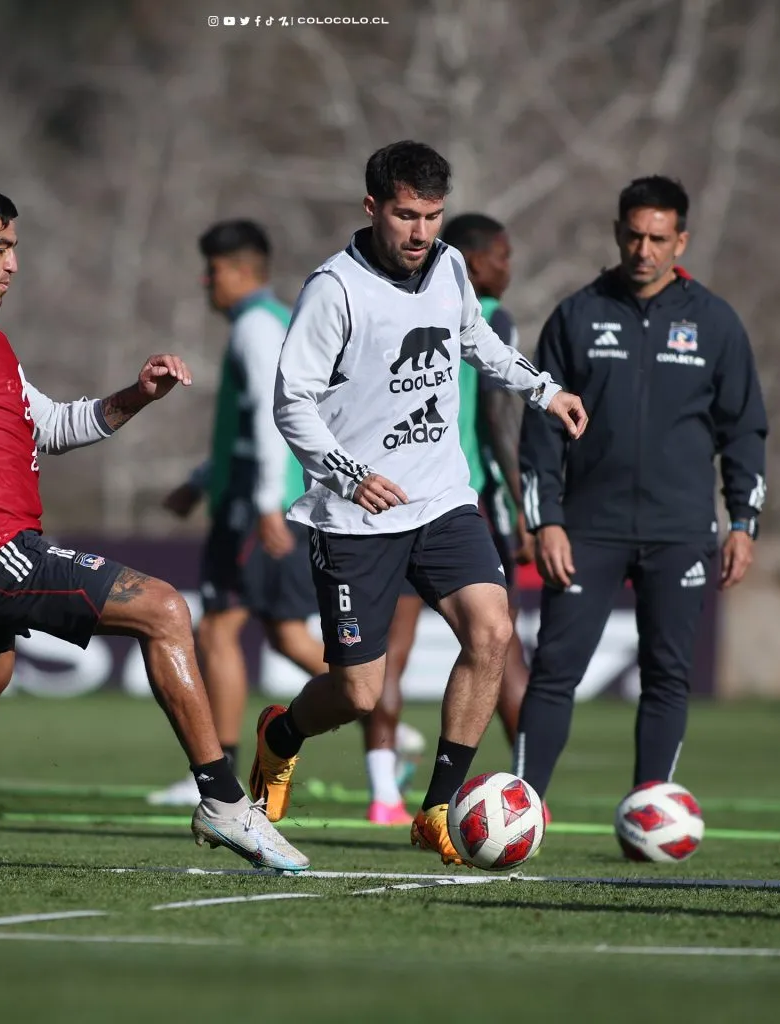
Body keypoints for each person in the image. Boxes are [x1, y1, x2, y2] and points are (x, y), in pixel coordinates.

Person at [0, 181, 309, 874]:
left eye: (14, 247)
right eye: (0, 247)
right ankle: (225, 803)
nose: (13, 262)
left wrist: (137, 396)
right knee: (166, 610)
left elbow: (51, 426)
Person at [248, 141, 588, 866]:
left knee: (492, 631)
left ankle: (437, 808)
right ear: (372, 207)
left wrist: (545, 390)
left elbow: (476, 341)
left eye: (433, 217)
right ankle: (281, 735)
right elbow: (291, 401)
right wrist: (348, 474)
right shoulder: (334, 289)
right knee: (359, 693)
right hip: (357, 515)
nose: (421, 232)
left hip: (440, 500)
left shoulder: (451, 267)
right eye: (406, 215)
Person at [516, 175, 767, 810]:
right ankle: (522, 811)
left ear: (680, 240)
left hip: (680, 530)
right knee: (554, 671)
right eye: (634, 236)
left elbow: (744, 431)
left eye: (658, 238)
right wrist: (547, 520)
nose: (644, 250)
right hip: (587, 529)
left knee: (667, 676)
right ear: (617, 233)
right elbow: (541, 431)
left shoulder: (715, 323)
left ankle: (649, 811)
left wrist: (744, 522)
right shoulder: (577, 315)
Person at [359, 213, 536, 826]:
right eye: (502, 256)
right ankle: (528, 789)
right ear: (474, 260)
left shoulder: (400, 301)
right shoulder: (486, 311)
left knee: (390, 655)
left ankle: (383, 793)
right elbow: (498, 417)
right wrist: (524, 504)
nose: (508, 268)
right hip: (459, 502)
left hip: (388, 495)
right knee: (498, 647)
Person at [149, 220, 325, 806]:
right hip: (258, 495)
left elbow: (275, 418)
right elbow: (249, 428)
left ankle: (217, 774)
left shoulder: (255, 327)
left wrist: (267, 501)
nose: (207, 281)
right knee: (288, 634)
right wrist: (201, 481)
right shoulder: (271, 321)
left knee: (218, 629)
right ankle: (381, 717)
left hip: (256, 504)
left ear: (243, 271)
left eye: (214, 270)